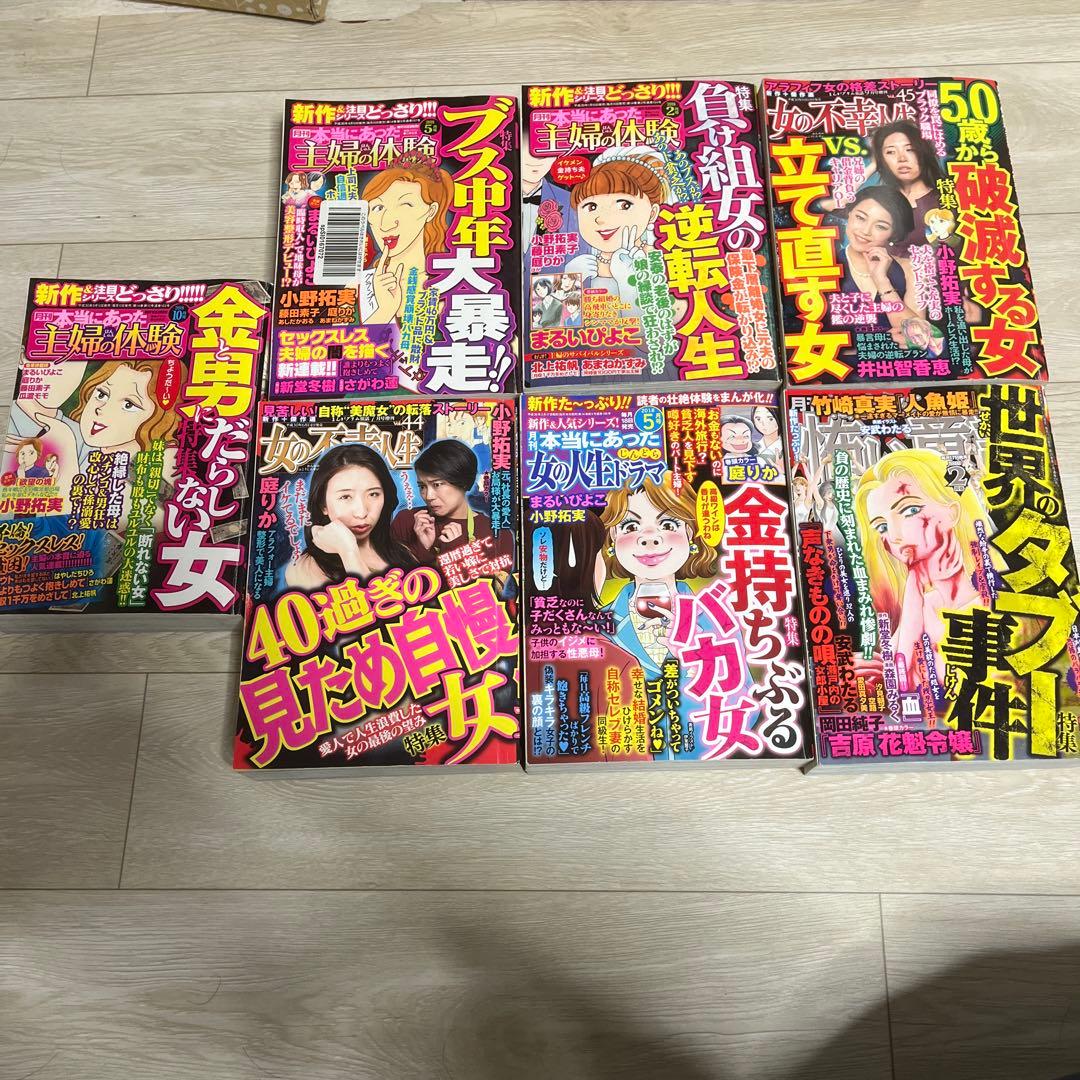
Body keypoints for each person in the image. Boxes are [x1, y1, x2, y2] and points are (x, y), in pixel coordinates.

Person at [854, 448, 989, 690]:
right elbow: (897, 663)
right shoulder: (917, 597)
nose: (894, 536)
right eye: (882, 527)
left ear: (952, 512)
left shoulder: (992, 599)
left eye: (910, 511)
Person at [285, 444, 415, 589]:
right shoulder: (305, 567)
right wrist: (348, 552)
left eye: (373, 494)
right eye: (345, 497)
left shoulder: (401, 551)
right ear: (323, 505)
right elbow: (374, 603)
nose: (361, 513)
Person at [565, 146, 671, 310]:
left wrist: (632, 283)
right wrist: (568, 282)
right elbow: (550, 319)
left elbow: (669, 319)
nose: (602, 219)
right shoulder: (580, 260)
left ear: (652, 213)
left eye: (624, 205)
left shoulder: (659, 257)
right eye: (591, 206)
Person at [351, 161, 454, 325]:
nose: (386, 224)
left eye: (405, 205)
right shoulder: (358, 287)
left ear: (431, 211)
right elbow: (335, 340)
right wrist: (384, 312)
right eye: (378, 207)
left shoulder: (449, 286)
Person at [390, 439, 512, 571]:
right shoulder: (406, 520)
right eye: (422, 486)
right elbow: (390, 579)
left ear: (463, 482)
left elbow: (491, 584)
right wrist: (423, 548)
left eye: (437, 484)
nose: (428, 496)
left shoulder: (498, 534)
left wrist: (453, 551)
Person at [837, 187, 926, 336]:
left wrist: (882, 281)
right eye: (860, 218)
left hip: (890, 352)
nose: (865, 231)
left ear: (894, 233)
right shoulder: (826, 266)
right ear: (849, 213)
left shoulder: (910, 269)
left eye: (880, 226)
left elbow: (920, 337)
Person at [869, 120, 945, 253]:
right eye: (890, 152)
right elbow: (834, 205)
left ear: (923, 153)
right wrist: (872, 166)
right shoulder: (879, 201)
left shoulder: (945, 199)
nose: (901, 158)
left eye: (910, 149)